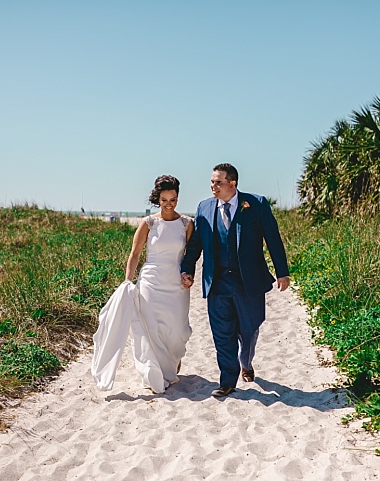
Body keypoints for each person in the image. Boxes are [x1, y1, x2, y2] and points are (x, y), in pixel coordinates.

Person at [180, 163, 290, 398]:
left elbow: (273, 238)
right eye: (211, 182)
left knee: (249, 330)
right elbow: (196, 243)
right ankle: (227, 381)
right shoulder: (204, 208)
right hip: (217, 282)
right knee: (222, 333)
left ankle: (246, 360)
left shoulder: (256, 204)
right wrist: (187, 268)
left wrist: (282, 271)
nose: (213, 186)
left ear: (232, 184)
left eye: (218, 182)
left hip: (248, 281)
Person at [90, 175, 194, 394]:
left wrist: (188, 274)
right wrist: (128, 281)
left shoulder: (186, 223)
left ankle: (172, 362)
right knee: (152, 328)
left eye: (173, 199)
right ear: (158, 199)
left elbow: (189, 256)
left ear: (178, 198)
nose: (168, 204)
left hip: (176, 283)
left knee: (178, 330)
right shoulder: (149, 223)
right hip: (150, 282)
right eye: (164, 200)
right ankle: (155, 370)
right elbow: (135, 254)